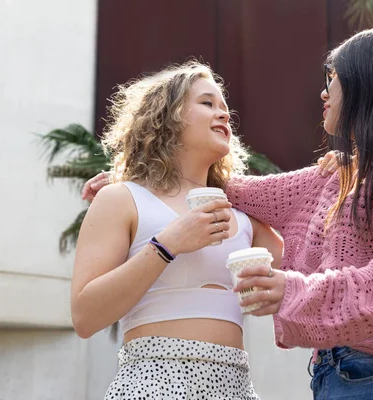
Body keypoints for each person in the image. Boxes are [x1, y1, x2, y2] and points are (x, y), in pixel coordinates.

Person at [83, 25, 373, 399]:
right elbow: (233, 188)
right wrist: (137, 180)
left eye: (333, 80)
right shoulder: (335, 178)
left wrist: (293, 290)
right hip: (335, 376)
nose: (324, 93)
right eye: (207, 103)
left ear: (370, 83)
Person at [72, 61, 288, 400]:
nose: (224, 115)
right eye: (207, 103)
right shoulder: (122, 198)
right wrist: (167, 244)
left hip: (236, 386)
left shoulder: (246, 216)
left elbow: (314, 267)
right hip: (152, 383)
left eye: (225, 108)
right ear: (167, 116)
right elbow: (85, 317)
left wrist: (334, 178)